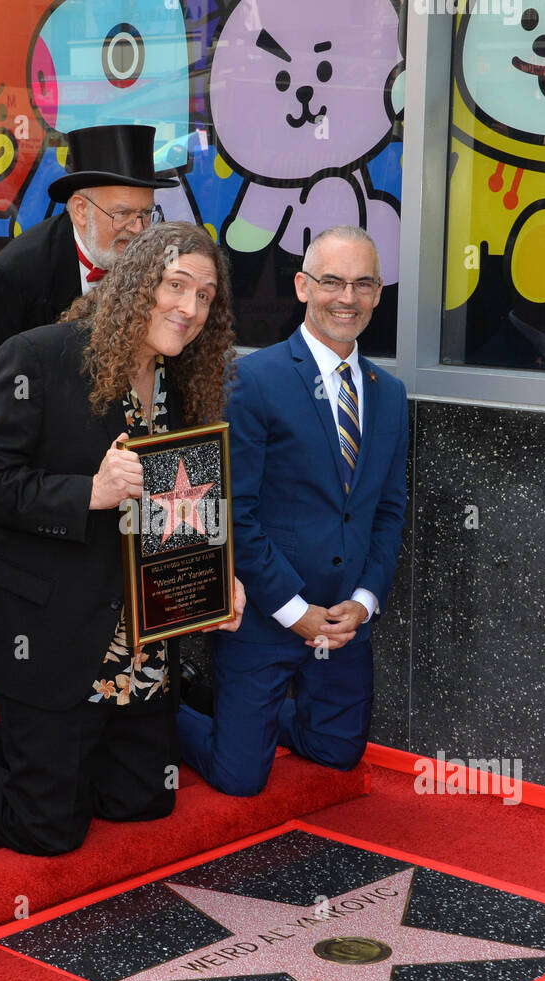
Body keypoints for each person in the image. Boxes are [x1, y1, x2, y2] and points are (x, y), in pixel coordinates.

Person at [0, 221, 240, 856]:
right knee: (49, 828)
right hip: (47, 629)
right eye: (175, 286)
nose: (189, 309)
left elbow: (180, 504)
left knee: (141, 803)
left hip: (139, 639)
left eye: (205, 296)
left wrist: (219, 574)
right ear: (136, 283)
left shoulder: (181, 382)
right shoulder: (40, 355)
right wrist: (88, 492)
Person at [178, 225, 409, 797]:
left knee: (337, 752)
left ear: (379, 293)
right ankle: (154, 714)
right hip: (266, 617)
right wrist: (293, 610)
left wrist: (363, 602)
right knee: (240, 779)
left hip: (343, 624)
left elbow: (388, 510)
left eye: (363, 284)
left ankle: (237, 716)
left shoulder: (390, 393)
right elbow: (236, 514)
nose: (346, 298)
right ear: (303, 286)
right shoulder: (251, 381)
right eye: (332, 281)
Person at [0, 124, 175, 531]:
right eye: (122, 214)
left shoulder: (158, 271)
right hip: (40, 515)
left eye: (145, 214)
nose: (138, 230)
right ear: (80, 209)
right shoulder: (14, 280)